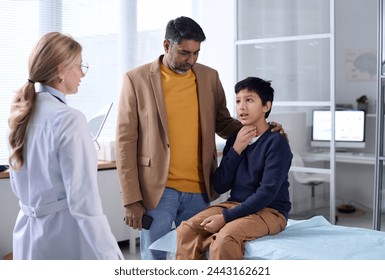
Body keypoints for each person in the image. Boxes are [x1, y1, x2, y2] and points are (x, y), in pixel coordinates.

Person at [115, 16, 284, 260]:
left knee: (197, 255)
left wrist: (263, 128)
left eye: (196, 53)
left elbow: (223, 122)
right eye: (185, 53)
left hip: (200, 188)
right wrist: (131, 200)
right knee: (155, 258)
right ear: (166, 45)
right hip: (157, 190)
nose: (191, 60)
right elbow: (125, 141)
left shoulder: (209, 77)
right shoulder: (136, 79)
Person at [7, 32, 123, 260]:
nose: (82, 73)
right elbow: (84, 202)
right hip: (62, 237)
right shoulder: (69, 119)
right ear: (61, 70)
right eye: (80, 66)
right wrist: (111, 256)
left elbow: (17, 184)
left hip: (26, 233)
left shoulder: (20, 114)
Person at [176, 77, 292, 260]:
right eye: (238, 101)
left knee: (225, 239)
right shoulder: (234, 139)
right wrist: (236, 149)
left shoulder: (276, 142)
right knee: (186, 229)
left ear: (266, 106)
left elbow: (266, 194)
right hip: (235, 204)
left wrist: (225, 218)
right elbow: (220, 185)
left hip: (271, 211)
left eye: (250, 100)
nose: (242, 107)